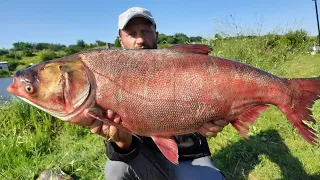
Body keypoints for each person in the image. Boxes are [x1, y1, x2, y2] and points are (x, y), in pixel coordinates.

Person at [89, 7, 228, 180]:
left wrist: (215, 118)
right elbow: (117, 151)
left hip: (190, 158)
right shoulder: (110, 79)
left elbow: (214, 104)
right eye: (131, 34)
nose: (140, 40)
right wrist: (122, 142)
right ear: (121, 41)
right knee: (115, 170)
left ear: (156, 35)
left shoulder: (181, 65)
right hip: (147, 159)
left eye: (146, 31)